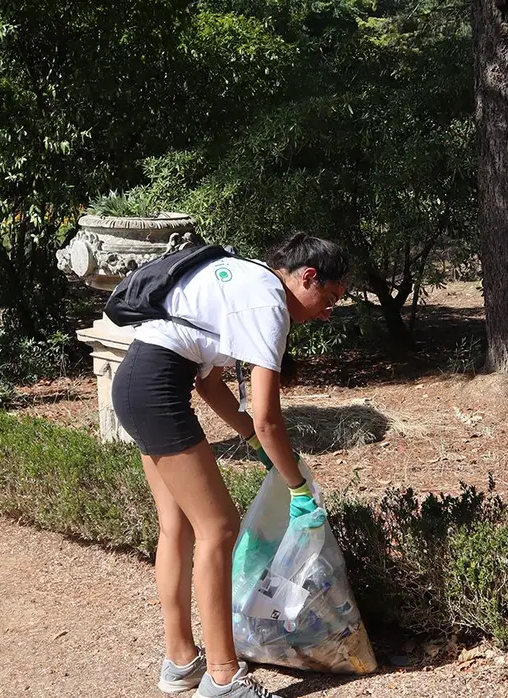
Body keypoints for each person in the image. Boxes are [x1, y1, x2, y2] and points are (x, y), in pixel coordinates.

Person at [112, 233, 350, 698]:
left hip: (139, 382)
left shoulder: (246, 283)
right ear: (307, 277)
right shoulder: (269, 303)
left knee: (177, 527)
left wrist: (248, 439)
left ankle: (180, 663)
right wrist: (297, 485)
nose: (329, 310)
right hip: (156, 389)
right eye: (331, 296)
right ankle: (223, 679)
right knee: (219, 527)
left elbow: (210, 386)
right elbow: (267, 418)